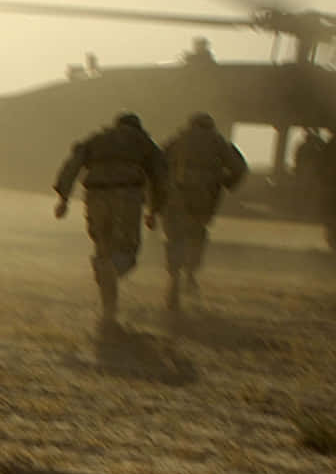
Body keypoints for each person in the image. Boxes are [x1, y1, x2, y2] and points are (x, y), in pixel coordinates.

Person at [53, 112, 167, 329]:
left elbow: (73, 164)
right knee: (127, 250)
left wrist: (63, 198)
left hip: (95, 197)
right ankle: (112, 274)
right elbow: (160, 176)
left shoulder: (97, 139)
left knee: (103, 249)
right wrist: (154, 210)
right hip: (127, 197)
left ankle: (109, 311)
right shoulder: (142, 142)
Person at [152, 112, 247, 312]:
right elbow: (239, 167)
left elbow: (157, 163)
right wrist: (225, 183)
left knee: (175, 237)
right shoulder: (218, 142)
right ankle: (190, 274)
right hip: (204, 198)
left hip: (177, 195)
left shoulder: (178, 139)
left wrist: (159, 194)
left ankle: (174, 278)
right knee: (196, 235)